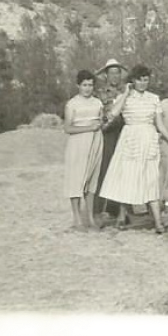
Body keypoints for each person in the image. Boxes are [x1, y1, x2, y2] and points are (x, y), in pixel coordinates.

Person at [98, 64, 168, 232]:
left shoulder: (153, 98)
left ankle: (158, 222)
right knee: (127, 177)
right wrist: (125, 93)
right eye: (140, 80)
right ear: (133, 80)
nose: (143, 83)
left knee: (150, 180)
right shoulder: (125, 97)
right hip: (130, 138)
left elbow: (160, 124)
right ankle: (122, 216)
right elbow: (112, 114)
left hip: (149, 138)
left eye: (146, 80)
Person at [63, 70, 104, 230]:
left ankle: (90, 218)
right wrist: (88, 128)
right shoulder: (72, 104)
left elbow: (100, 120)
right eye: (84, 85)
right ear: (78, 85)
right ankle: (77, 218)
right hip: (78, 142)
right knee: (76, 179)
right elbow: (67, 128)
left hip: (96, 141)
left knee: (91, 180)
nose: (88, 88)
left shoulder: (97, 103)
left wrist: (99, 126)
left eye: (90, 85)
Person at [93, 58, 128, 219]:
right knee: (106, 167)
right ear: (106, 75)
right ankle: (102, 208)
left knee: (124, 168)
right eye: (111, 73)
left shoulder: (126, 90)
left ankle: (121, 210)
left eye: (117, 73)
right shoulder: (101, 92)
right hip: (108, 133)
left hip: (125, 130)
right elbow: (106, 114)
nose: (115, 76)